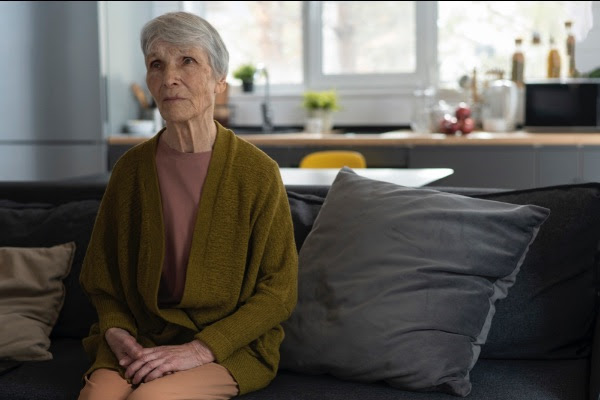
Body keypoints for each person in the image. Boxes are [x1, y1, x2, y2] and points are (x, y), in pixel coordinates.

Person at [78, 11, 298, 400]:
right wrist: (116, 330)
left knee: (150, 399)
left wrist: (200, 349)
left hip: (225, 346)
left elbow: (278, 291)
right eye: (156, 64)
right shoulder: (130, 169)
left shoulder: (258, 173)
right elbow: (102, 278)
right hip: (142, 339)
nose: (169, 78)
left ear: (219, 79)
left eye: (188, 61)